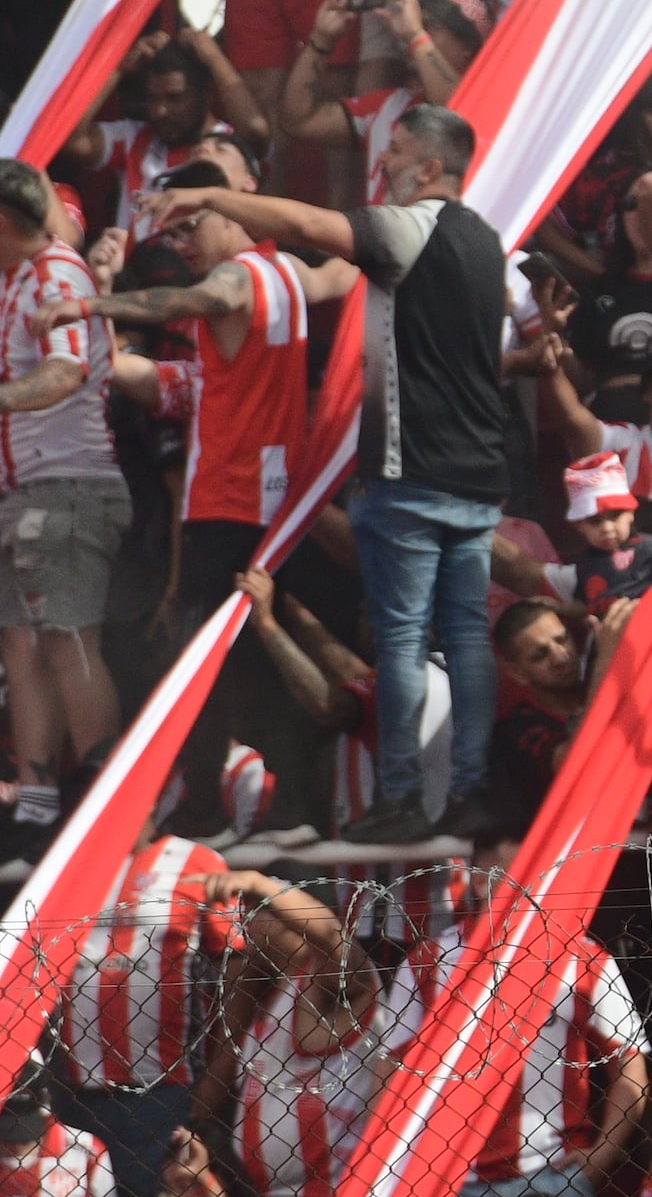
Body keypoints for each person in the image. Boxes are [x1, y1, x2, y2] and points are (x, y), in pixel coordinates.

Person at [170, 104, 514, 842]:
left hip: (412, 471)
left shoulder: (410, 227)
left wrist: (214, 198)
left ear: (430, 167)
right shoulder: (489, 240)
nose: (382, 162)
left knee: (400, 639)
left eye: (395, 151)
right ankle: (474, 790)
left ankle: (396, 800)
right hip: (478, 472)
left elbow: (306, 224)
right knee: (464, 637)